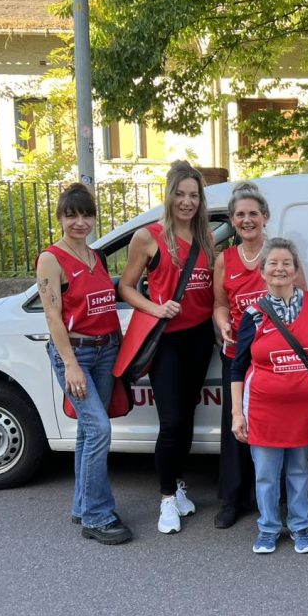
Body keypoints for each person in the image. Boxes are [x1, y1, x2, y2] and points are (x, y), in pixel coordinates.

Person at [230, 238, 308, 555]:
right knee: (266, 475)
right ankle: (268, 528)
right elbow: (238, 367)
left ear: (296, 271)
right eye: (273, 263)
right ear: (262, 271)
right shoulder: (254, 314)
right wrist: (237, 413)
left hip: (304, 410)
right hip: (263, 409)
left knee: (298, 471)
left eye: (286, 263)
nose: (279, 268)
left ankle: (300, 526)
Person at [118, 160, 216, 535]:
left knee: (187, 417)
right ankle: (166, 498)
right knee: (171, 421)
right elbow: (125, 287)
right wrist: (155, 308)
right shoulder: (149, 237)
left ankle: (178, 484)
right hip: (167, 341)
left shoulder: (207, 239)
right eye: (181, 194)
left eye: (194, 195)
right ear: (170, 195)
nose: (187, 202)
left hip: (200, 339)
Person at [36, 184, 131, 545]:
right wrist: (70, 364)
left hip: (107, 351)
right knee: (99, 428)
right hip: (77, 355)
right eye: (71, 215)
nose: (80, 222)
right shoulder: (51, 259)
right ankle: (97, 516)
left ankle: (82, 505)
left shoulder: (96, 256)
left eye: (86, 214)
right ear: (60, 218)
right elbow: (52, 316)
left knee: (89, 431)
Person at [211, 182, 269, 528]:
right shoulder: (225, 260)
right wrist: (222, 323)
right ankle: (232, 500)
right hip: (236, 354)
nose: (247, 220)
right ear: (232, 220)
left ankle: (268, 498)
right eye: (240, 215)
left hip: (271, 357)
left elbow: (300, 299)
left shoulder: (278, 252)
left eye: (253, 214)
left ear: (265, 217)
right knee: (235, 424)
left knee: (269, 426)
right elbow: (220, 304)